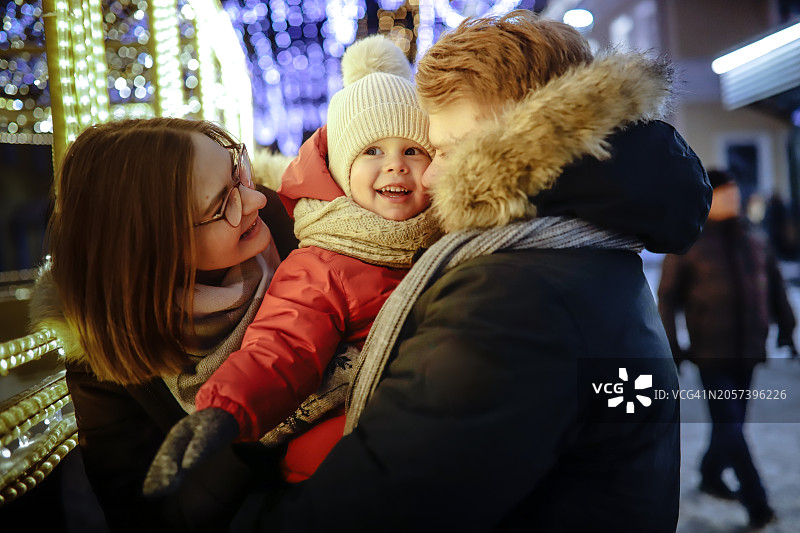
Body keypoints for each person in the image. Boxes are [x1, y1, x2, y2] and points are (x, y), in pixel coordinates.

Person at [228, 10, 711, 533]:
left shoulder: (513, 294)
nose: (430, 175)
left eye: (450, 151)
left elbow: (390, 502)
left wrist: (233, 514)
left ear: (525, 143)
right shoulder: (584, 246)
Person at [143, 35, 441, 493]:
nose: (396, 166)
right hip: (341, 461)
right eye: (372, 151)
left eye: (413, 151)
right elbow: (283, 346)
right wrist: (223, 409)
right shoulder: (322, 261)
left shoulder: (453, 236)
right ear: (341, 170)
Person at [28, 117, 299, 532]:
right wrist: (247, 431)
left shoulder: (288, 220)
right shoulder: (104, 371)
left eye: (237, 172)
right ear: (157, 251)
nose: (254, 200)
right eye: (222, 204)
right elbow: (148, 517)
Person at [658, 169, 796, 528]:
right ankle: (758, 504)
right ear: (709, 196)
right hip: (712, 352)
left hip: (749, 348)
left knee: (730, 426)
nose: (732, 201)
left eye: (735, 194)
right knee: (732, 427)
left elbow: (775, 285)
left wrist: (787, 328)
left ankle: (710, 475)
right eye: (725, 195)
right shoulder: (689, 239)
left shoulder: (754, 237)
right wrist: (673, 344)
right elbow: (668, 297)